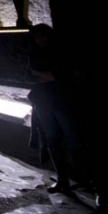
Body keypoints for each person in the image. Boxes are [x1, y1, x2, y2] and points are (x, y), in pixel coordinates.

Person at [27, 23, 85, 194]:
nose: (41, 40)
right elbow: (28, 75)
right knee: (52, 141)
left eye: (43, 36)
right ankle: (62, 180)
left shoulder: (60, 52)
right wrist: (51, 76)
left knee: (75, 142)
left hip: (63, 101)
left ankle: (89, 183)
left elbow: (63, 75)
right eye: (38, 37)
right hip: (45, 103)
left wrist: (41, 74)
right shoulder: (34, 54)